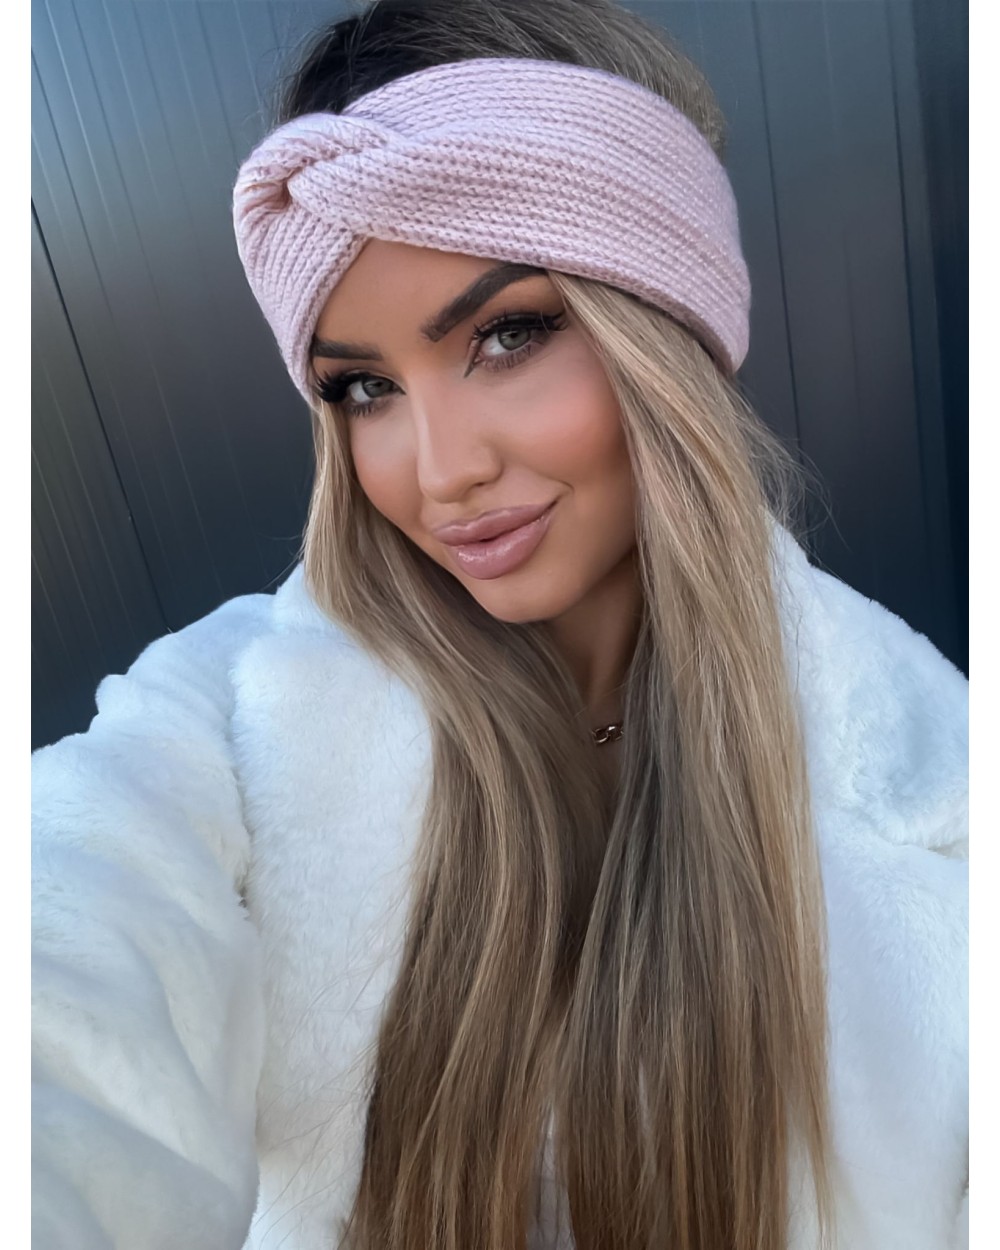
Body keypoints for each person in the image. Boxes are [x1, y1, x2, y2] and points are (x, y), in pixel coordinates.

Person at [31, 1, 968, 1248]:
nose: (439, 470)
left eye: (506, 335)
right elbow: (66, 959)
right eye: (363, 387)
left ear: (668, 334)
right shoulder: (230, 713)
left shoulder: (943, 786)